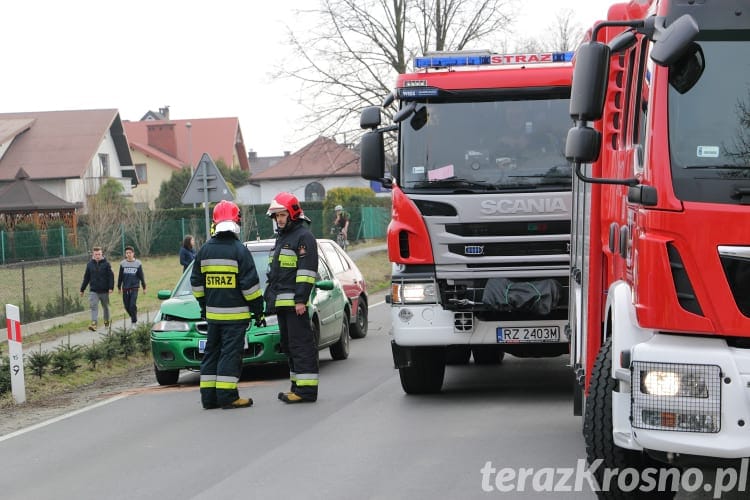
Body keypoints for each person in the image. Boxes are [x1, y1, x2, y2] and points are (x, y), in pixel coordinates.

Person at [191, 200, 264, 410]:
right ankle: (228, 396)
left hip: (213, 317)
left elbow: (196, 284)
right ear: (236, 222)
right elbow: (250, 288)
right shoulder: (239, 251)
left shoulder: (204, 251)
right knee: (230, 355)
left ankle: (209, 398)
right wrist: (258, 312)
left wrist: (204, 305)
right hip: (235, 318)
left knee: (211, 354)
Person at [265, 192, 320, 404]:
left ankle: (306, 391)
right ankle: (297, 386)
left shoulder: (303, 237)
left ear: (293, 214)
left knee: (301, 346)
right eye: (276, 216)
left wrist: (300, 300)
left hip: (295, 305)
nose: (279, 219)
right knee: (289, 346)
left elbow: (306, 271)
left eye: (282, 214)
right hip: (283, 305)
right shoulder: (282, 238)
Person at [80, 246, 114, 332]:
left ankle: (106, 321)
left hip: (104, 290)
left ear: (101, 254)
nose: (97, 256)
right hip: (93, 290)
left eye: (99, 254)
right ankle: (94, 324)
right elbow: (86, 278)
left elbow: (111, 277)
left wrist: (111, 287)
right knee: (93, 306)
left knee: (105, 307)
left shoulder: (106, 264)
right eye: (96, 254)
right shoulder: (89, 265)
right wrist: (82, 289)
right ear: (93, 254)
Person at [117, 246, 146, 327]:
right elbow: (120, 277)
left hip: (134, 287)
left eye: (130, 253)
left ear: (133, 253)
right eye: (127, 253)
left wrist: (144, 287)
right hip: (125, 288)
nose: (128, 254)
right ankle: (134, 315)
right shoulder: (122, 264)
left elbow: (141, 276)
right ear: (125, 254)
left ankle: (134, 322)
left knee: (132, 304)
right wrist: (119, 287)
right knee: (126, 306)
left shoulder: (138, 263)